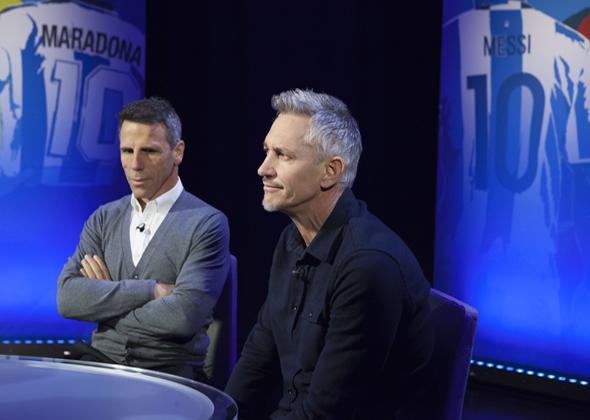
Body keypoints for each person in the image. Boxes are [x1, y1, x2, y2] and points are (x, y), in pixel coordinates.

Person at [225, 89, 433, 419]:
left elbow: (328, 411)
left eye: (283, 155)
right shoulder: (291, 240)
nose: (263, 169)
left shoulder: (368, 265)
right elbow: (259, 354)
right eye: (267, 152)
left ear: (330, 172)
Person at [57, 97, 230, 381]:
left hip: (170, 377)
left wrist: (104, 304)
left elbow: (183, 317)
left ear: (178, 152)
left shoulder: (207, 223)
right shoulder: (103, 218)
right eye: (127, 151)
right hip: (101, 367)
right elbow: (68, 298)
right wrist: (152, 291)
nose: (135, 164)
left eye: (149, 151)